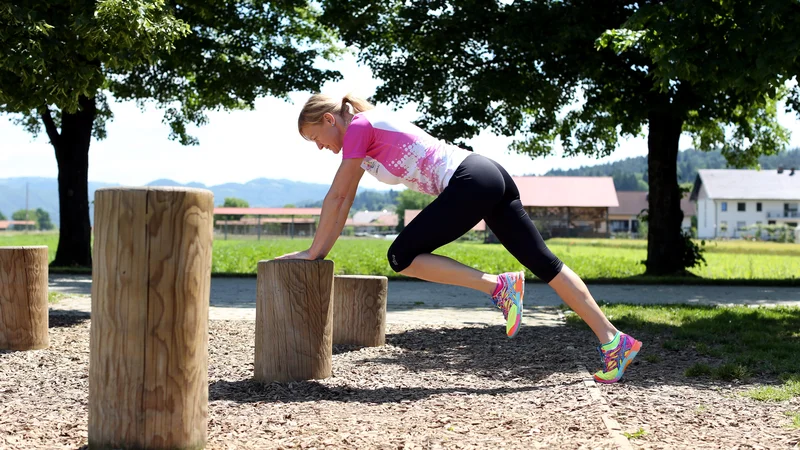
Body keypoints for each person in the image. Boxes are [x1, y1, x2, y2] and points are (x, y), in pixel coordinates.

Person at [276, 93, 642, 384]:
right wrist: (316, 251)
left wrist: (314, 252)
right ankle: (614, 340)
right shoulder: (364, 129)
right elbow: (343, 200)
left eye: (315, 138)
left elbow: (340, 197)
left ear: (328, 119)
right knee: (546, 264)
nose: (320, 147)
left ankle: (499, 287)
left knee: (402, 256)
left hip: (471, 179)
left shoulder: (358, 126)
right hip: (485, 173)